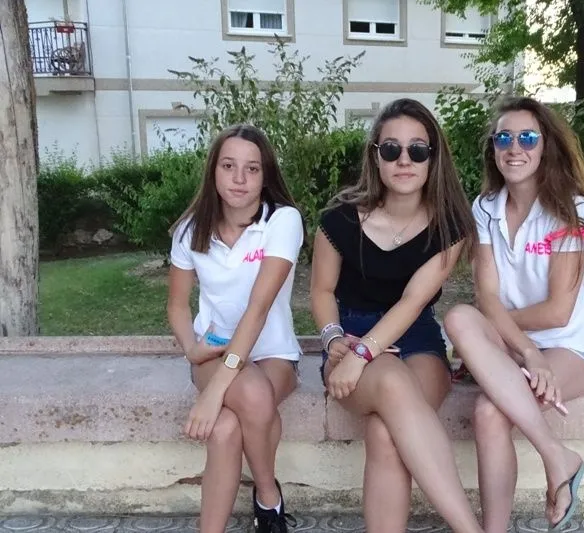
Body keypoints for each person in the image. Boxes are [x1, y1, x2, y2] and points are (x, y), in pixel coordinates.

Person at [310, 98, 485, 533]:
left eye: (417, 150)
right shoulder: (339, 221)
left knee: (385, 434)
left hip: (417, 338)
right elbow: (321, 291)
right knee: (388, 380)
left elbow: (412, 302)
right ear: (376, 156)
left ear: (433, 158)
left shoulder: (451, 226)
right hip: (351, 335)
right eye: (391, 149)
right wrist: (335, 341)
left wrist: (363, 355)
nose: (404, 160)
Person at [443, 96, 584, 532]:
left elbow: (558, 312)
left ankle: (549, 469)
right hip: (516, 349)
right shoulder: (485, 208)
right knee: (458, 317)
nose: (514, 148)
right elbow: (486, 297)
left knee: (488, 411)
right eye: (504, 138)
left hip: (570, 349)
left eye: (528, 137)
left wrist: (498, 334)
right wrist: (525, 353)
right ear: (493, 148)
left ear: (545, 145)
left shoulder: (572, 210)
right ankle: (558, 457)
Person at [167, 124, 305, 533]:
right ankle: (267, 500)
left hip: (273, 352)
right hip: (214, 350)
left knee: (233, 415)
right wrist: (192, 348)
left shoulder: (282, 221)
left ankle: (263, 497)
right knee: (238, 411)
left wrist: (213, 395)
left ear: (265, 175)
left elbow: (258, 308)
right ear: (213, 170)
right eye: (228, 166)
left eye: (252, 168)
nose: (239, 178)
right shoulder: (191, 229)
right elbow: (177, 305)